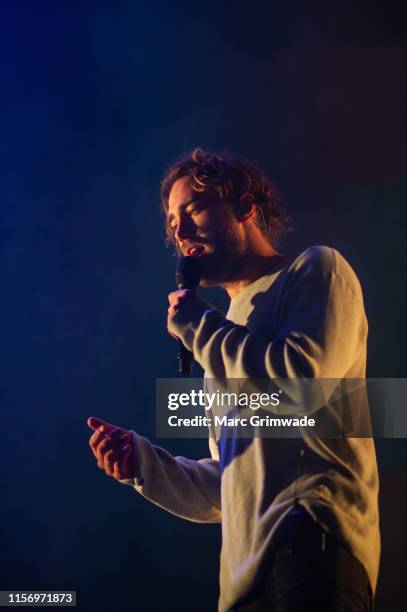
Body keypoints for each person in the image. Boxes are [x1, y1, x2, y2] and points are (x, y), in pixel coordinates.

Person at [88, 149, 380, 611]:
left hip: (311, 546)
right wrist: (143, 465)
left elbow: (302, 386)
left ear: (245, 207)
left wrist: (200, 328)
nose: (179, 232)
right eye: (171, 221)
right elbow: (231, 482)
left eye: (193, 210)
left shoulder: (316, 270)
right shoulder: (220, 334)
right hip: (242, 583)